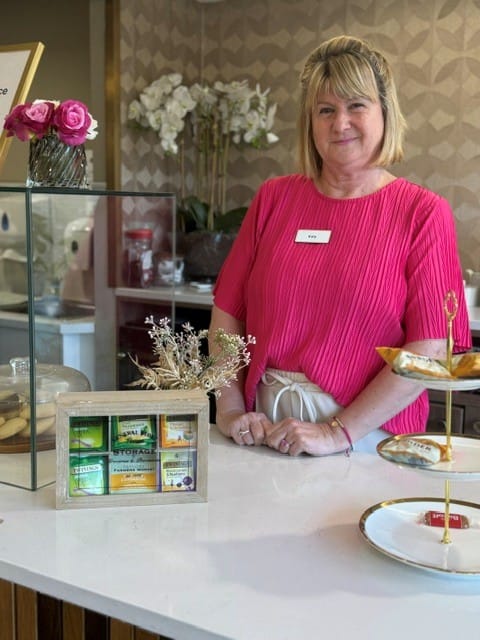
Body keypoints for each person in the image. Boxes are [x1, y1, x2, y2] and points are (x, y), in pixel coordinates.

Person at [208, 35, 472, 456]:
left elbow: (431, 350)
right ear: (309, 122)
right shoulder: (274, 199)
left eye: (356, 106)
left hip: (370, 438)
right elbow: (227, 314)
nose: (340, 123)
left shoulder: (422, 213)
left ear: (385, 112)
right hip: (266, 432)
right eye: (325, 110)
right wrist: (230, 409)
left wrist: (336, 432)